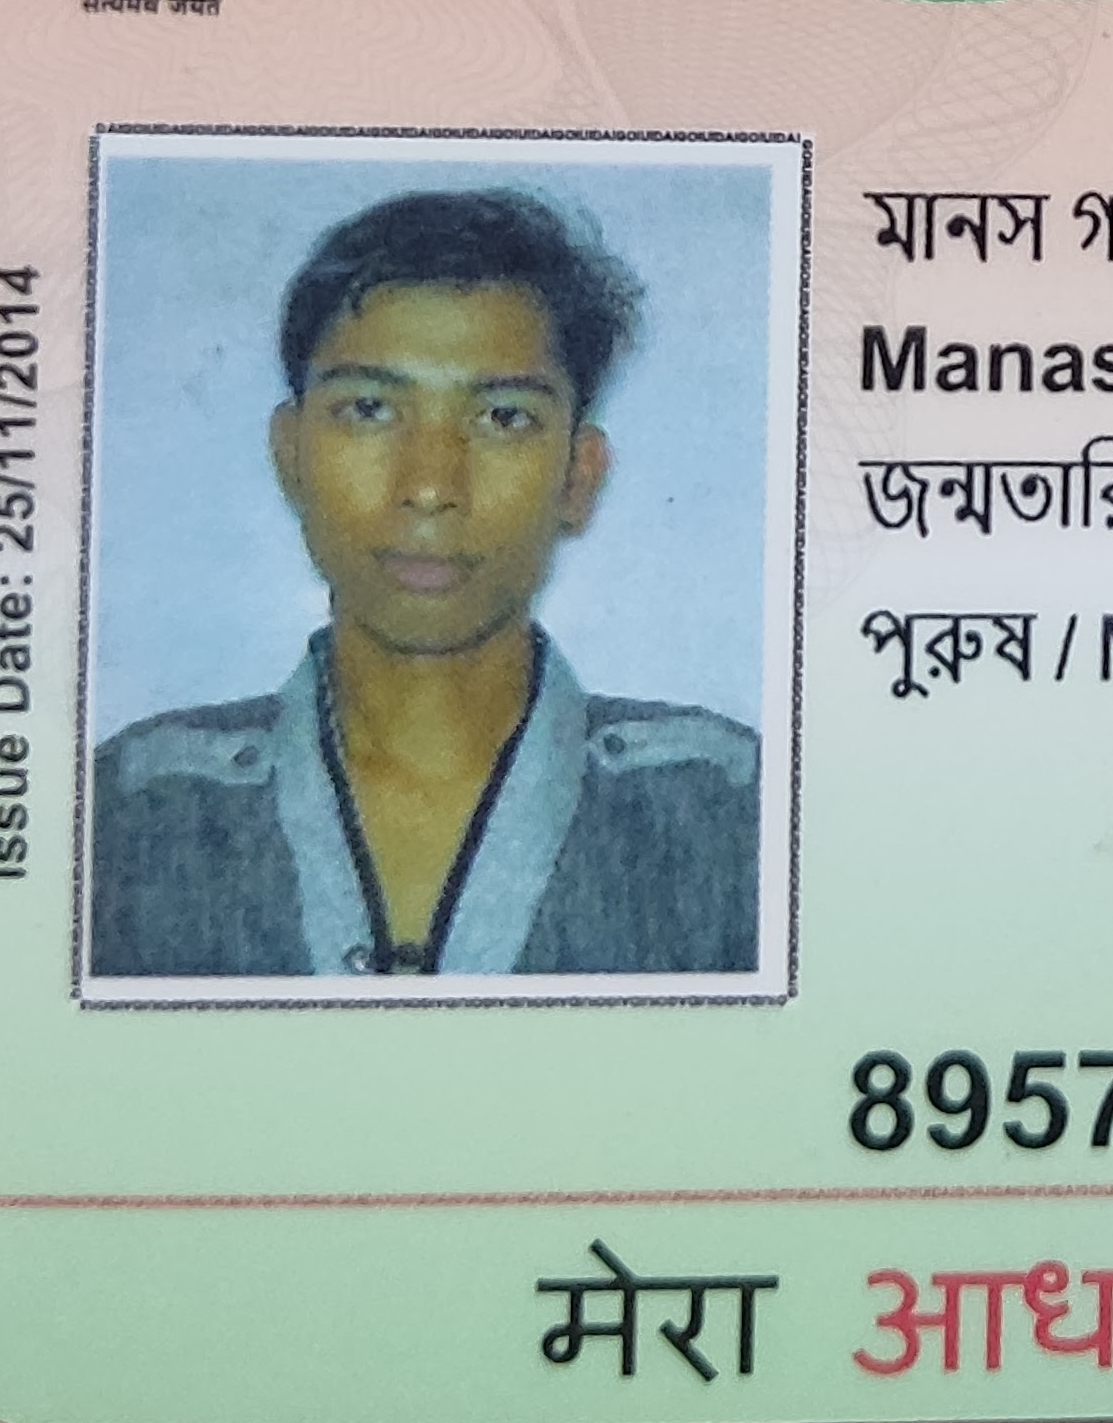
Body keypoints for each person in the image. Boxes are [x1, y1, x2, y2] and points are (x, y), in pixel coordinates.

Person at [92, 189, 762, 981]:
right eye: (370, 409)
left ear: (578, 476)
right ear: (291, 456)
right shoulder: (124, 812)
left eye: (503, 417)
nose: (430, 486)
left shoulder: (736, 813)